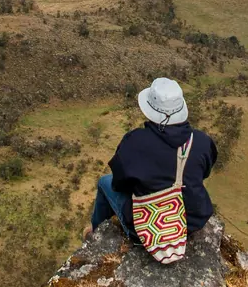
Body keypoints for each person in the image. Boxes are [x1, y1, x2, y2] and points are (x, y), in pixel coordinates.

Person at [89, 77, 217, 241]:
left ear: (150, 109)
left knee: (104, 182)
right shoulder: (202, 141)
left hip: (149, 228)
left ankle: (95, 233)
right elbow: (204, 172)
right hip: (192, 222)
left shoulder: (133, 142)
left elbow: (119, 184)